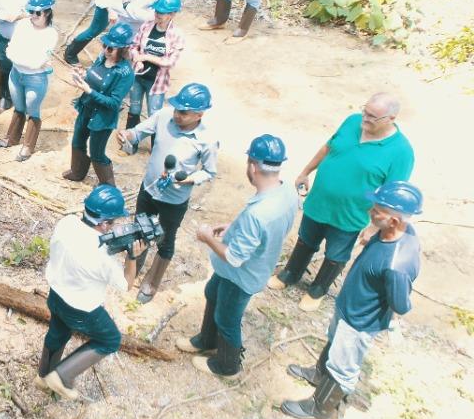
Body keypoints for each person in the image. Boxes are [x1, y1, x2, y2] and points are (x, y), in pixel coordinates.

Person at [281, 181, 422, 419]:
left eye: (377, 211)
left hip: (360, 320)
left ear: (394, 221)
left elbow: (400, 304)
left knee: (343, 364)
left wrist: (390, 318)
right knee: (334, 341)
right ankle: (319, 374)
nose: (371, 212)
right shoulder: (393, 232)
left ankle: (320, 408)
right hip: (349, 305)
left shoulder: (397, 264)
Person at [269, 93, 415, 312]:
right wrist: (305, 172)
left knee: (335, 255)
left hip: (350, 214)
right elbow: (327, 148)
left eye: (372, 117)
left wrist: (374, 227)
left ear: (391, 119)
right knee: (305, 240)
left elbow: (392, 194)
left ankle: (318, 290)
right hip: (319, 202)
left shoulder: (401, 152)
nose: (364, 119)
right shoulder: (352, 121)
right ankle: (290, 273)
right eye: (365, 111)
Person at [178, 134, 299, 378]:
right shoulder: (287, 190)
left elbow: (234, 257)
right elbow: (261, 229)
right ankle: (207, 339)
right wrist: (234, 227)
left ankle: (227, 365)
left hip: (242, 275)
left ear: (253, 167)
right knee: (212, 292)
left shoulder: (258, 214)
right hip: (251, 265)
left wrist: (207, 237)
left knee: (227, 318)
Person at [35, 185, 144, 400]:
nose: (115, 226)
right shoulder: (103, 257)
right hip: (81, 309)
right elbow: (126, 285)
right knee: (110, 339)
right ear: (104, 223)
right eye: (113, 222)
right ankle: (62, 377)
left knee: (57, 333)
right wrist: (132, 257)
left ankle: (43, 376)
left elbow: (82, 243)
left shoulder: (66, 223)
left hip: (56, 294)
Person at [114, 83, 218, 303]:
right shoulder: (163, 116)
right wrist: (126, 135)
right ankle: (132, 268)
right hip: (149, 189)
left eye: (184, 112)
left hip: (174, 199)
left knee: (165, 239)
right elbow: (137, 133)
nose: (177, 114)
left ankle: (152, 282)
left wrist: (189, 179)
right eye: (177, 109)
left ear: (199, 115)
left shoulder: (207, 139)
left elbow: (209, 172)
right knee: (140, 230)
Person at [61, 24, 136, 186]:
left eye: (111, 48)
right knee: (77, 142)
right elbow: (93, 76)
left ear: (123, 50)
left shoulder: (125, 73)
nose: (106, 50)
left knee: (96, 153)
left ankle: (108, 186)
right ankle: (77, 171)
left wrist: (89, 91)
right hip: (86, 108)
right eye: (104, 45)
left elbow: (114, 103)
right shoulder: (101, 58)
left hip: (102, 118)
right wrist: (82, 76)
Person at [0, 0, 56, 162]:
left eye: (37, 13)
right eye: (31, 11)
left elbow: (37, 61)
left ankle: (28, 145)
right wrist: (27, 59)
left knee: (32, 109)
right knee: (19, 107)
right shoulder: (22, 25)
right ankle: (11, 138)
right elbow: (10, 50)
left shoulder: (50, 34)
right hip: (16, 74)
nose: (33, 15)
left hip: (35, 79)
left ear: (47, 12)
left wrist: (23, 58)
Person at [125, 0, 186, 132]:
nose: (157, 14)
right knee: (134, 109)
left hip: (157, 82)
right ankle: (129, 140)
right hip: (138, 77)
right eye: (157, 11)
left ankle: (155, 143)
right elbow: (134, 46)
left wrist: (146, 57)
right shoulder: (146, 26)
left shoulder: (176, 34)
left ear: (172, 14)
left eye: (162, 12)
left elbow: (170, 62)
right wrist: (136, 58)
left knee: (154, 113)